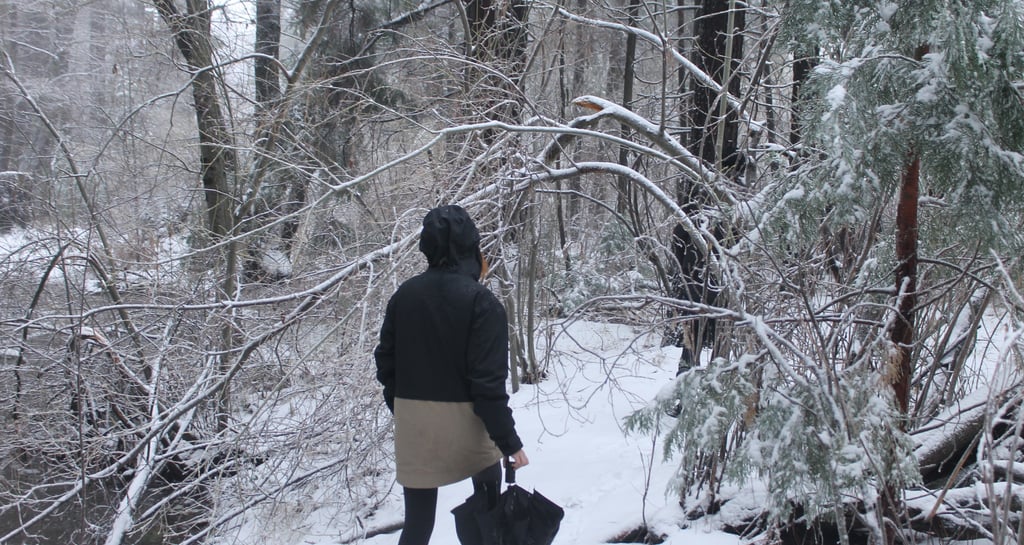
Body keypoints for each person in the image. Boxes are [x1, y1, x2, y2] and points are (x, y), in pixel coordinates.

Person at [374, 204, 529, 545]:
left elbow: (385, 363)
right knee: (487, 515)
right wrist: (510, 443)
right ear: (471, 247)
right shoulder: (482, 303)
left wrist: (406, 409)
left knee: (416, 527)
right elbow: (488, 386)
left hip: (415, 426)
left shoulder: (404, 296)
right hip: (471, 427)